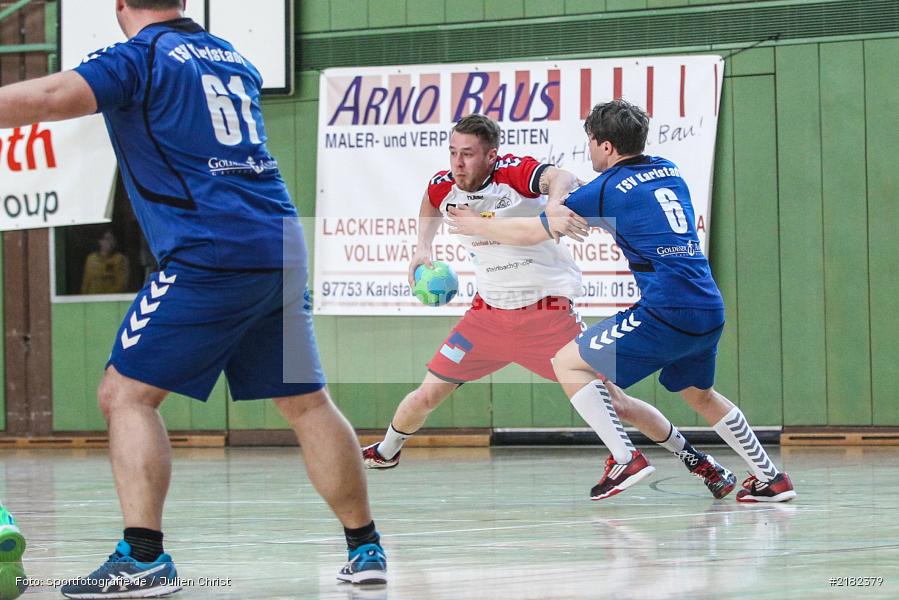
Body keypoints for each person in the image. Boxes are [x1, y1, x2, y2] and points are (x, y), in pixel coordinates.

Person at [0, 1, 386, 596]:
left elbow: (51, 99)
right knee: (306, 402)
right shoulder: (232, 58)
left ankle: (144, 557)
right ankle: (366, 550)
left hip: (210, 248)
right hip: (277, 241)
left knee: (124, 394)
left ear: (119, 5)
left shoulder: (140, 57)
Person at [362, 114, 737, 501]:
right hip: (486, 317)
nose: (458, 163)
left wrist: (555, 204)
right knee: (426, 395)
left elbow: (562, 177)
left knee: (617, 402)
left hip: (548, 316)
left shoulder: (514, 173)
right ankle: (387, 451)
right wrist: (423, 246)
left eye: (468, 155)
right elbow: (430, 199)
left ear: (491, 155)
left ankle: (699, 461)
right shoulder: (446, 184)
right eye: (453, 153)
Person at [448, 100, 796, 503]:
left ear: (607, 146)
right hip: (707, 304)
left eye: (591, 143)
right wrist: (558, 204)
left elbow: (535, 231)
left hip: (666, 309)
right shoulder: (669, 168)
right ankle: (771, 478)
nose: (589, 151)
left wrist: (479, 224)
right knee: (699, 394)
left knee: (567, 362)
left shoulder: (607, 188)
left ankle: (624, 457)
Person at [80, 229, 131, 294]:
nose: (108, 242)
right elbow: (86, 282)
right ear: (100, 241)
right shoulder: (91, 259)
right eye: (106, 239)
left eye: (111, 239)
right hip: (92, 299)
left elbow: (121, 284)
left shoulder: (120, 259)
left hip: (111, 299)